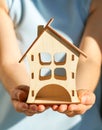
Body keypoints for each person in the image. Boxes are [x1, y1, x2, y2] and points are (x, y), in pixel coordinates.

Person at [0, 0, 102, 130]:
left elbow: (90, 60)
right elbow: (10, 62)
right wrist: (27, 94)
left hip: (81, 126)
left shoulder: (94, 3)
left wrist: (78, 96)